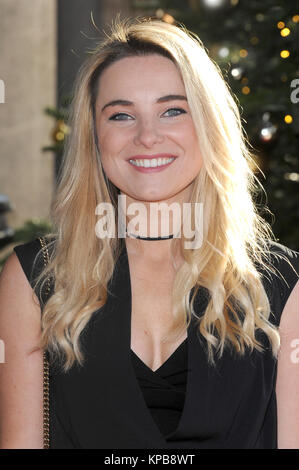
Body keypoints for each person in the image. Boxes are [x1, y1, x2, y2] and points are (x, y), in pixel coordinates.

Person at [0, 16, 298, 450]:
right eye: (121, 115)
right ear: (94, 136)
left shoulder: (283, 285)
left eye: (172, 110)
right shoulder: (35, 278)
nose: (146, 136)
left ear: (209, 126)